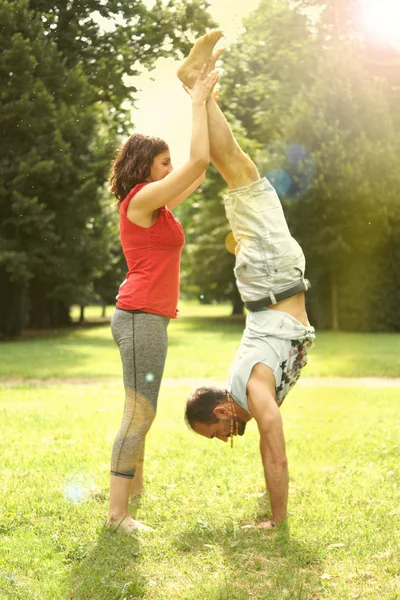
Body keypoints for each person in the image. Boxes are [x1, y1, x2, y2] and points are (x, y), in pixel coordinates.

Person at [179, 36, 316, 529]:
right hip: (269, 280)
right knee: (235, 168)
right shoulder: (246, 393)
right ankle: (200, 88)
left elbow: (274, 448)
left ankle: (197, 88)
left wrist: (275, 522)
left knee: (239, 169)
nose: (224, 439)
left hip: (272, 276)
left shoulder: (253, 391)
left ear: (221, 409)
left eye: (215, 432)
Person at [107, 44, 220, 532]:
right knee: (139, 414)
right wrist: (194, 99)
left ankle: (134, 490)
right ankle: (117, 514)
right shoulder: (140, 200)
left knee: (142, 410)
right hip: (139, 318)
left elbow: (205, 160)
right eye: (162, 163)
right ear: (143, 168)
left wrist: (207, 102)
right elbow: (196, 162)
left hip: (149, 319)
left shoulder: (159, 205)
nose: (170, 170)